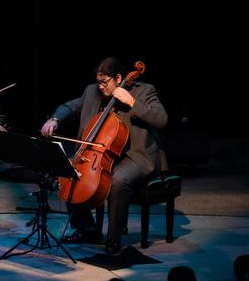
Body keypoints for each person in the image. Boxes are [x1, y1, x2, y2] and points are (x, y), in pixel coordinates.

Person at [40, 56, 168, 255]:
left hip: (136, 155)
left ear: (118, 78)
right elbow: (71, 106)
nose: (100, 87)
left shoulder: (145, 90)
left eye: (104, 82)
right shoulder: (91, 91)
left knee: (119, 179)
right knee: (71, 173)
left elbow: (161, 120)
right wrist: (55, 119)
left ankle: (113, 238)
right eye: (98, 82)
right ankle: (87, 228)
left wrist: (132, 102)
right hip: (103, 153)